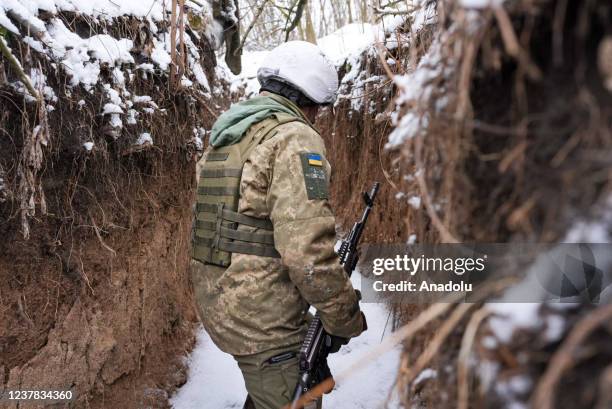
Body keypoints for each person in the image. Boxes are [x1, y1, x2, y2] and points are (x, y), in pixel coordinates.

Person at [190, 41, 367, 409]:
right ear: (310, 97)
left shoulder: (233, 132)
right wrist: (345, 316)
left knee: (268, 392)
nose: (317, 116)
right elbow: (308, 252)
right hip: (264, 321)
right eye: (318, 108)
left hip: (222, 303)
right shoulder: (295, 138)